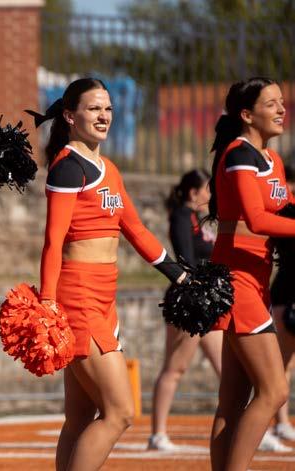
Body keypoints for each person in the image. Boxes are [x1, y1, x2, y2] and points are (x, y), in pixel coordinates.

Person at [31, 78, 188, 471]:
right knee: (120, 412)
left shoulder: (109, 169)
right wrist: (48, 303)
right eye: (94, 109)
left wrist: (181, 276)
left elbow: (135, 230)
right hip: (78, 295)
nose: (104, 116)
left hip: (105, 296)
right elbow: (53, 241)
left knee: (80, 417)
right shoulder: (68, 167)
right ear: (70, 116)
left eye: (108, 109)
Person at [207, 77, 294, 470]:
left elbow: (285, 210)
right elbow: (257, 220)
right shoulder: (240, 154)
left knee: (233, 399)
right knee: (274, 391)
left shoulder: (272, 160)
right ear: (246, 114)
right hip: (236, 276)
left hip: (256, 278)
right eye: (271, 103)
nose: (281, 109)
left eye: (282, 102)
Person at [148, 169, 223, 451]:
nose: (210, 195)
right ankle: (158, 434)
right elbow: (185, 259)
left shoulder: (200, 219)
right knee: (175, 368)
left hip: (206, 302)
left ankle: (246, 429)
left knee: (227, 371)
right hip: (188, 301)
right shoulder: (181, 216)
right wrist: (196, 291)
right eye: (207, 189)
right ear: (194, 193)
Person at [267, 158, 295, 445]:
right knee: (280, 366)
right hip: (287, 297)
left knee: (284, 366)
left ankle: (281, 423)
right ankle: (279, 423)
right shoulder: (286, 212)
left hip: (285, 295)